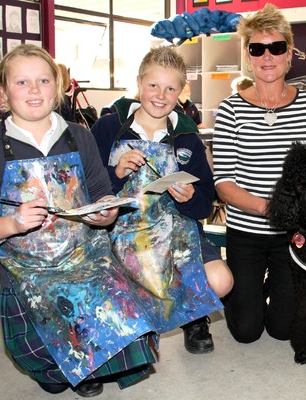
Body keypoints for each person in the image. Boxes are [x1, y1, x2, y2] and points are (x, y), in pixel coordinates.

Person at [0, 44, 165, 397]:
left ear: (58, 87)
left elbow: (100, 190)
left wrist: (105, 211)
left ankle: (89, 364)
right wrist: (12, 224)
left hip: (83, 257)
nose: (34, 90)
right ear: (3, 93)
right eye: (21, 82)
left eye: (43, 80)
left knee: (128, 318)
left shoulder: (78, 135)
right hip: (27, 270)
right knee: (46, 367)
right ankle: (59, 368)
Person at [91, 46, 232, 355]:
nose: (160, 94)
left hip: (173, 228)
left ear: (181, 92)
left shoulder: (186, 137)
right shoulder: (108, 127)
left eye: (170, 88)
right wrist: (115, 173)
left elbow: (205, 204)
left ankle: (194, 317)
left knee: (220, 280)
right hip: (118, 229)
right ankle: (133, 321)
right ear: (139, 83)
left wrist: (189, 197)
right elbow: (86, 187)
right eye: (153, 85)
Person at [213, 3, 306, 344]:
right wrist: (268, 208)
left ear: (289, 52)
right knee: (246, 331)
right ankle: (250, 290)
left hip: (293, 233)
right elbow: (224, 184)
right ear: (248, 54)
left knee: (281, 330)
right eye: (257, 48)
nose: (267, 56)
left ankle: (273, 285)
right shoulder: (230, 109)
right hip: (246, 231)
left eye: (276, 47)